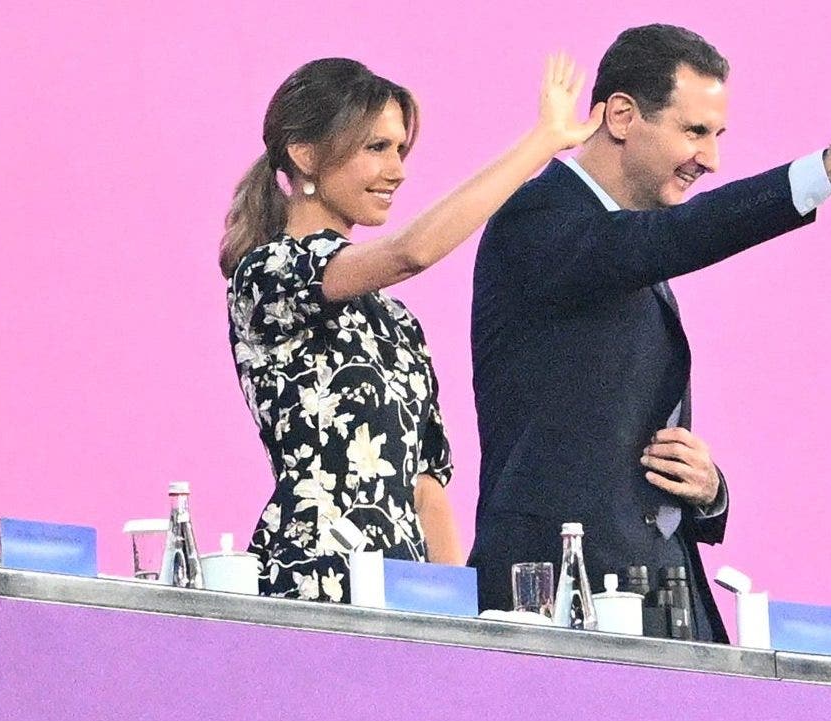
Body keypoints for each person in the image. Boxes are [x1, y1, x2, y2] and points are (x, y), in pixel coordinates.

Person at [469, 24, 831, 641]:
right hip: (560, 600)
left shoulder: (625, 239)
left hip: (665, 599)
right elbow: (680, 236)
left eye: (718, 135)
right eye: (695, 131)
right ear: (622, 116)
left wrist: (707, 489)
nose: (712, 159)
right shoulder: (539, 219)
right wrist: (828, 167)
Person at [222, 54, 603, 601]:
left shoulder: (397, 322)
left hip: (403, 594)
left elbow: (426, 489)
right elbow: (410, 253)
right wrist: (541, 144)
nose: (397, 170)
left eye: (400, 149)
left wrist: (455, 614)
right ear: (305, 155)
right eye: (376, 147)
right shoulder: (267, 275)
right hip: (312, 584)